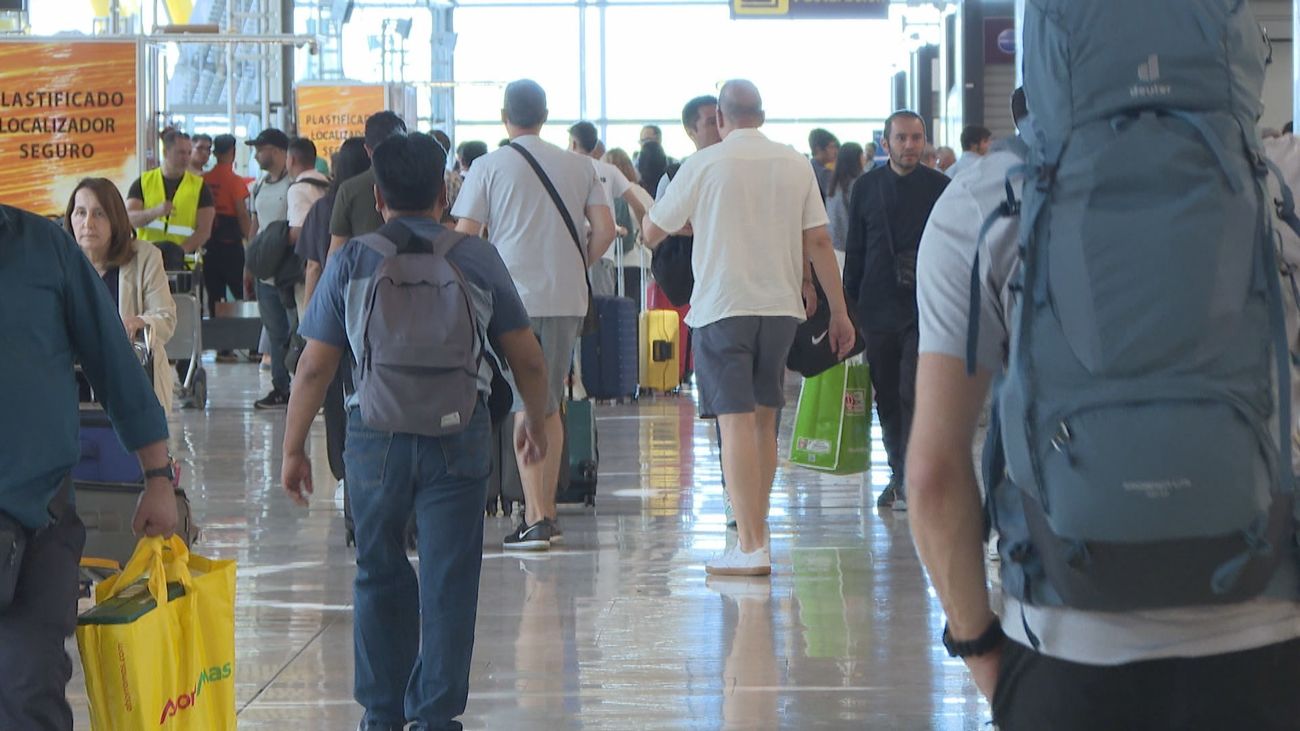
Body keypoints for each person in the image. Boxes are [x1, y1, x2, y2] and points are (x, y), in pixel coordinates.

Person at [910, 96, 1300, 730]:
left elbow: (931, 473)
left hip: (1065, 643)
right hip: (1268, 635)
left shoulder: (986, 197)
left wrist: (983, 652)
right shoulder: (1278, 179)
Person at [283, 131, 550, 731]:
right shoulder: (474, 256)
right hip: (459, 436)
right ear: (444, 191)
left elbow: (314, 367)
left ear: (377, 197)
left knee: (378, 569)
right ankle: (434, 717)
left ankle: (381, 716)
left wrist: (294, 446)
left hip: (373, 434)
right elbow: (527, 357)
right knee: (450, 576)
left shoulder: (351, 259)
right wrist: (538, 417)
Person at [643, 80, 853, 576]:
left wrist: (694, 220)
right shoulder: (794, 163)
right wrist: (840, 312)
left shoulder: (703, 164)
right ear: (761, 114)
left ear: (720, 117)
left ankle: (751, 545)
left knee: (734, 422)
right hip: (781, 307)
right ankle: (758, 538)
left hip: (723, 305)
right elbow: (820, 242)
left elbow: (652, 230)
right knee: (763, 421)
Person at [0, 203, 175, 731]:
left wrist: (157, 476)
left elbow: (112, 361)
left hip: (37, 521)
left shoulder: (44, 249)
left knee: (26, 685)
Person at [452, 78, 616, 551]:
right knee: (548, 400)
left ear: (505, 116)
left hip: (511, 297)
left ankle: (537, 517)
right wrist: (575, 262)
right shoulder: (580, 165)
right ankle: (544, 510)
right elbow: (604, 230)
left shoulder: (488, 165)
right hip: (566, 297)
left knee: (527, 401)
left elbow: (465, 235)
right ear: (546, 115)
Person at [843, 110, 949, 511]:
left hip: (926, 305)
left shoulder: (941, 188)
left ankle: (912, 477)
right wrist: (846, 308)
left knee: (913, 390)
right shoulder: (867, 188)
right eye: (902, 138)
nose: (910, 145)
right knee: (886, 394)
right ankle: (899, 474)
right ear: (885, 144)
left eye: (917, 138)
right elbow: (855, 248)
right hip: (876, 307)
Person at [295, 137, 370, 484]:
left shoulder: (324, 208)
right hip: (372, 316)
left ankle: (343, 471)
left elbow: (314, 267)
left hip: (334, 312)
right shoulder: (378, 201)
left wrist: (310, 317)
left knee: (334, 392)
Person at [67, 178, 178, 413]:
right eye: (80, 212)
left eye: (99, 214)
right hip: (72, 386)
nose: (88, 223)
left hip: (130, 383)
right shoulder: (60, 262)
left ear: (115, 219)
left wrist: (141, 323)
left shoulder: (146, 257)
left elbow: (166, 318)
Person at [247, 127, 296, 410]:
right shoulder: (260, 186)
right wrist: (249, 262)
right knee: (275, 332)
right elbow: (255, 225)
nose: (256, 154)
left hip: (289, 271)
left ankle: (302, 383)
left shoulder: (295, 184)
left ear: (277, 151)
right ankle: (281, 387)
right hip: (265, 271)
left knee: (296, 330)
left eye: (260, 149)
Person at [569, 120, 647, 296]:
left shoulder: (564, 170)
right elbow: (637, 205)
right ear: (595, 145)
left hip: (571, 252)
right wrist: (644, 231)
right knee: (602, 312)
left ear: (573, 143)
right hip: (603, 251)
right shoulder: (609, 170)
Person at [126, 129, 216, 270]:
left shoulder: (200, 187)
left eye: (188, 152)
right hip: (146, 263)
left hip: (183, 265)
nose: (186, 158)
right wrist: (155, 212)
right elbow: (129, 219)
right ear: (165, 152)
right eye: (180, 152)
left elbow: (204, 231)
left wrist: (177, 253)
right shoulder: (144, 182)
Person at [329, 111, 408, 258]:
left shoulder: (350, 189)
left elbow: (336, 252)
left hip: (367, 275)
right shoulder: (424, 179)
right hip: (422, 274)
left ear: (367, 150)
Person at [201, 134, 252, 320]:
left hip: (209, 244)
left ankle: (219, 343)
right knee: (240, 291)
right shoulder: (235, 181)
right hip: (230, 245)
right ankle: (242, 339)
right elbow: (242, 213)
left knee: (214, 294)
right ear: (233, 152)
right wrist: (250, 239)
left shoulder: (204, 179)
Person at [286, 137, 330, 254]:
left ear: (291, 160)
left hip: (310, 257)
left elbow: (299, 231)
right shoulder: (328, 182)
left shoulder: (297, 189)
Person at [825, 142, 864, 271]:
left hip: (834, 245)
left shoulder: (834, 184)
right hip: (852, 247)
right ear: (856, 158)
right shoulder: (858, 184)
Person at [808, 128, 840, 198]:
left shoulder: (808, 167)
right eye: (831, 147)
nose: (835, 151)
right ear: (818, 149)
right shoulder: (824, 174)